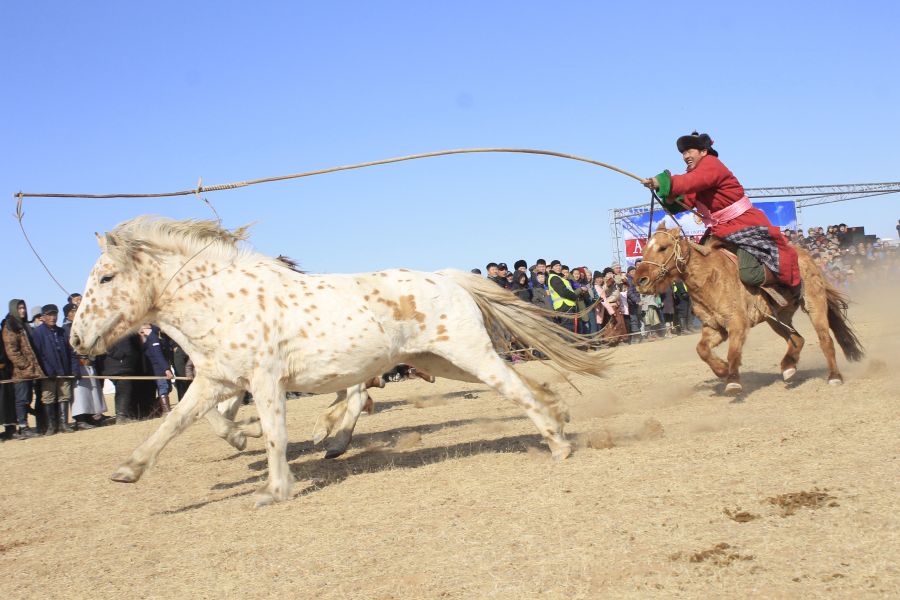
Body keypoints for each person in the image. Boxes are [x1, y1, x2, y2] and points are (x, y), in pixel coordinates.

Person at [642, 132, 801, 295]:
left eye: (690, 151)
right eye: (684, 153)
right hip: (720, 230)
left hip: (743, 225)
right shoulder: (694, 174)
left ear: (703, 151)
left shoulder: (712, 164)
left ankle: (783, 286)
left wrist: (659, 181)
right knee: (699, 265)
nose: (686, 156)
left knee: (749, 275)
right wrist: (668, 197)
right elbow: (687, 200)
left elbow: (690, 182)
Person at [31, 304, 79, 434]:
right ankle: (51, 426)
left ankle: (63, 424)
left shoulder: (62, 331)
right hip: (48, 374)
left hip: (64, 371)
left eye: (55, 314)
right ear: (43, 317)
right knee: (48, 397)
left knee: (64, 396)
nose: (53, 317)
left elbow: (71, 352)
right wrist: (48, 370)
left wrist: (74, 369)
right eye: (50, 315)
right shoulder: (38, 333)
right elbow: (38, 354)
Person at [2, 300, 45, 438]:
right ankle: (23, 427)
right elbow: (12, 351)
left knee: (27, 398)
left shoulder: (24, 325)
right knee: (21, 399)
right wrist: (25, 365)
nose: (23, 311)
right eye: (20, 308)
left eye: (24, 308)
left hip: (31, 369)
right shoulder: (10, 326)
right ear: (14, 309)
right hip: (19, 371)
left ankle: (27, 424)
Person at [63, 303, 107, 428]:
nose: (75, 313)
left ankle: (91, 416)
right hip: (78, 364)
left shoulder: (83, 326)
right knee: (80, 394)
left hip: (89, 362)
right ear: (67, 314)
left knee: (91, 392)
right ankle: (80, 419)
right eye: (72, 311)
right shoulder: (66, 329)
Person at [102, 333, 143, 422]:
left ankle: (124, 414)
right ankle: (121, 416)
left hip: (125, 365)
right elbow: (106, 345)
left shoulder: (126, 331)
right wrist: (120, 355)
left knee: (124, 389)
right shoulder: (110, 331)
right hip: (117, 365)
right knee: (123, 389)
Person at [139, 324, 173, 416]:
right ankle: (166, 411)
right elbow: (158, 355)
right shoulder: (153, 338)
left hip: (159, 367)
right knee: (163, 387)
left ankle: (155, 410)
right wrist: (166, 369)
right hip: (158, 368)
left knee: (168, 388)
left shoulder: (153, 338)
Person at [546, 260, 579, 332]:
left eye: (559, 265)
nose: (558, 267)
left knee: (571, 330)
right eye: (556, 266)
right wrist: (575, 296)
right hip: (564, 306)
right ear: (552, 268)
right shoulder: (554, 278)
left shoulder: (560, 277)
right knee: (569, 330)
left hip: (567, 306)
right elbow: (563, 292)